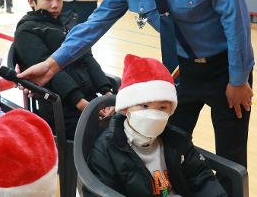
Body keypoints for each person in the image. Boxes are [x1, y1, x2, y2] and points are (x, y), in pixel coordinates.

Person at [18, 0, 254, 187]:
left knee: (232, 157)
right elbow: (94, 24)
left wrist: (237, 79)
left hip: (227, 70)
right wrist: (52, 65)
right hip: (183, 70)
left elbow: (235, 21)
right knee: (171, 144)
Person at [88, 54, 226, 196]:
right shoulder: (106, 151)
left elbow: (202, 177)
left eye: (162, 108)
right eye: (145, 106)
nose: (153, 115)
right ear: (125, 108)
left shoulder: (177, 140)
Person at [13, 0, 115, 139]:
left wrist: (106, 93)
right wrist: (83, 104)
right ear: (31, 1)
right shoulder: (27, 31)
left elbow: (87, 58)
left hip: (86, 98)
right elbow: (49, 73)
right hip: (59, 107)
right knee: (106, 137)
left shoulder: (68, 22)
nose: (55, 5)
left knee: (121, 126)